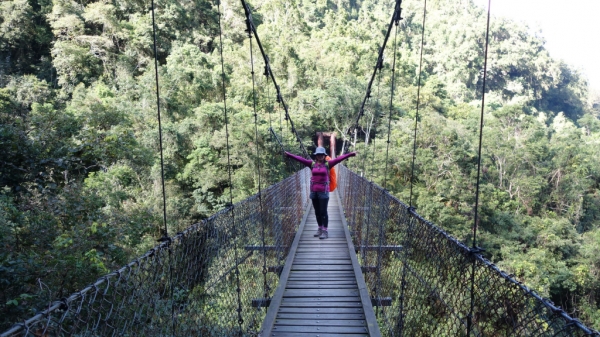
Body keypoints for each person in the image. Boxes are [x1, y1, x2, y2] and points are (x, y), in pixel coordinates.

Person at [285, 147, 356, 239]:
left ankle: (325, 231)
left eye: (322, 155)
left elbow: (339, 159)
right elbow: (300, 159)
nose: (320, 156)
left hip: (323, 191)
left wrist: (350, 154)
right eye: (318, 155)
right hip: (314, 191)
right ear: (316, 156)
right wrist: (289, 155)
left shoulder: (328, 164)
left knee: (323, 212)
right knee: (317, 212)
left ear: (324, 155)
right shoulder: (312, 164)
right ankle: (320, 228)